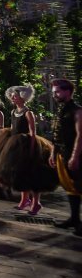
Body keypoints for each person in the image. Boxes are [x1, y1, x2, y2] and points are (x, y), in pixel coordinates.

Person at [0, 84, 57, 215]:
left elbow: (33, 132)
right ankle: (24, 201)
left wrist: (33, 148)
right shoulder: (13, 112)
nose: (12, 98)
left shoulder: (29, 113)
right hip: (15, 145)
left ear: (22, 97)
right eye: (12, 96)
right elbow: (12, 129)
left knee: (32, 174)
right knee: (20, 174)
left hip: (26, 145)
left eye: (15, 96)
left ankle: (35, 203)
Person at [49, 79, 82, 236]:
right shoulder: (60, 110)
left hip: (75, 155)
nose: (55, 95)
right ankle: (74, 219)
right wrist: (52, 153)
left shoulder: (77, 111)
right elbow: (57, 134)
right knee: (70, 187)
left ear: (68, 91)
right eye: (54, 92)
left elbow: (80, 136)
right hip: (62, 154)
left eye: (57, 92)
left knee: (79, 186)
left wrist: (75, 157)